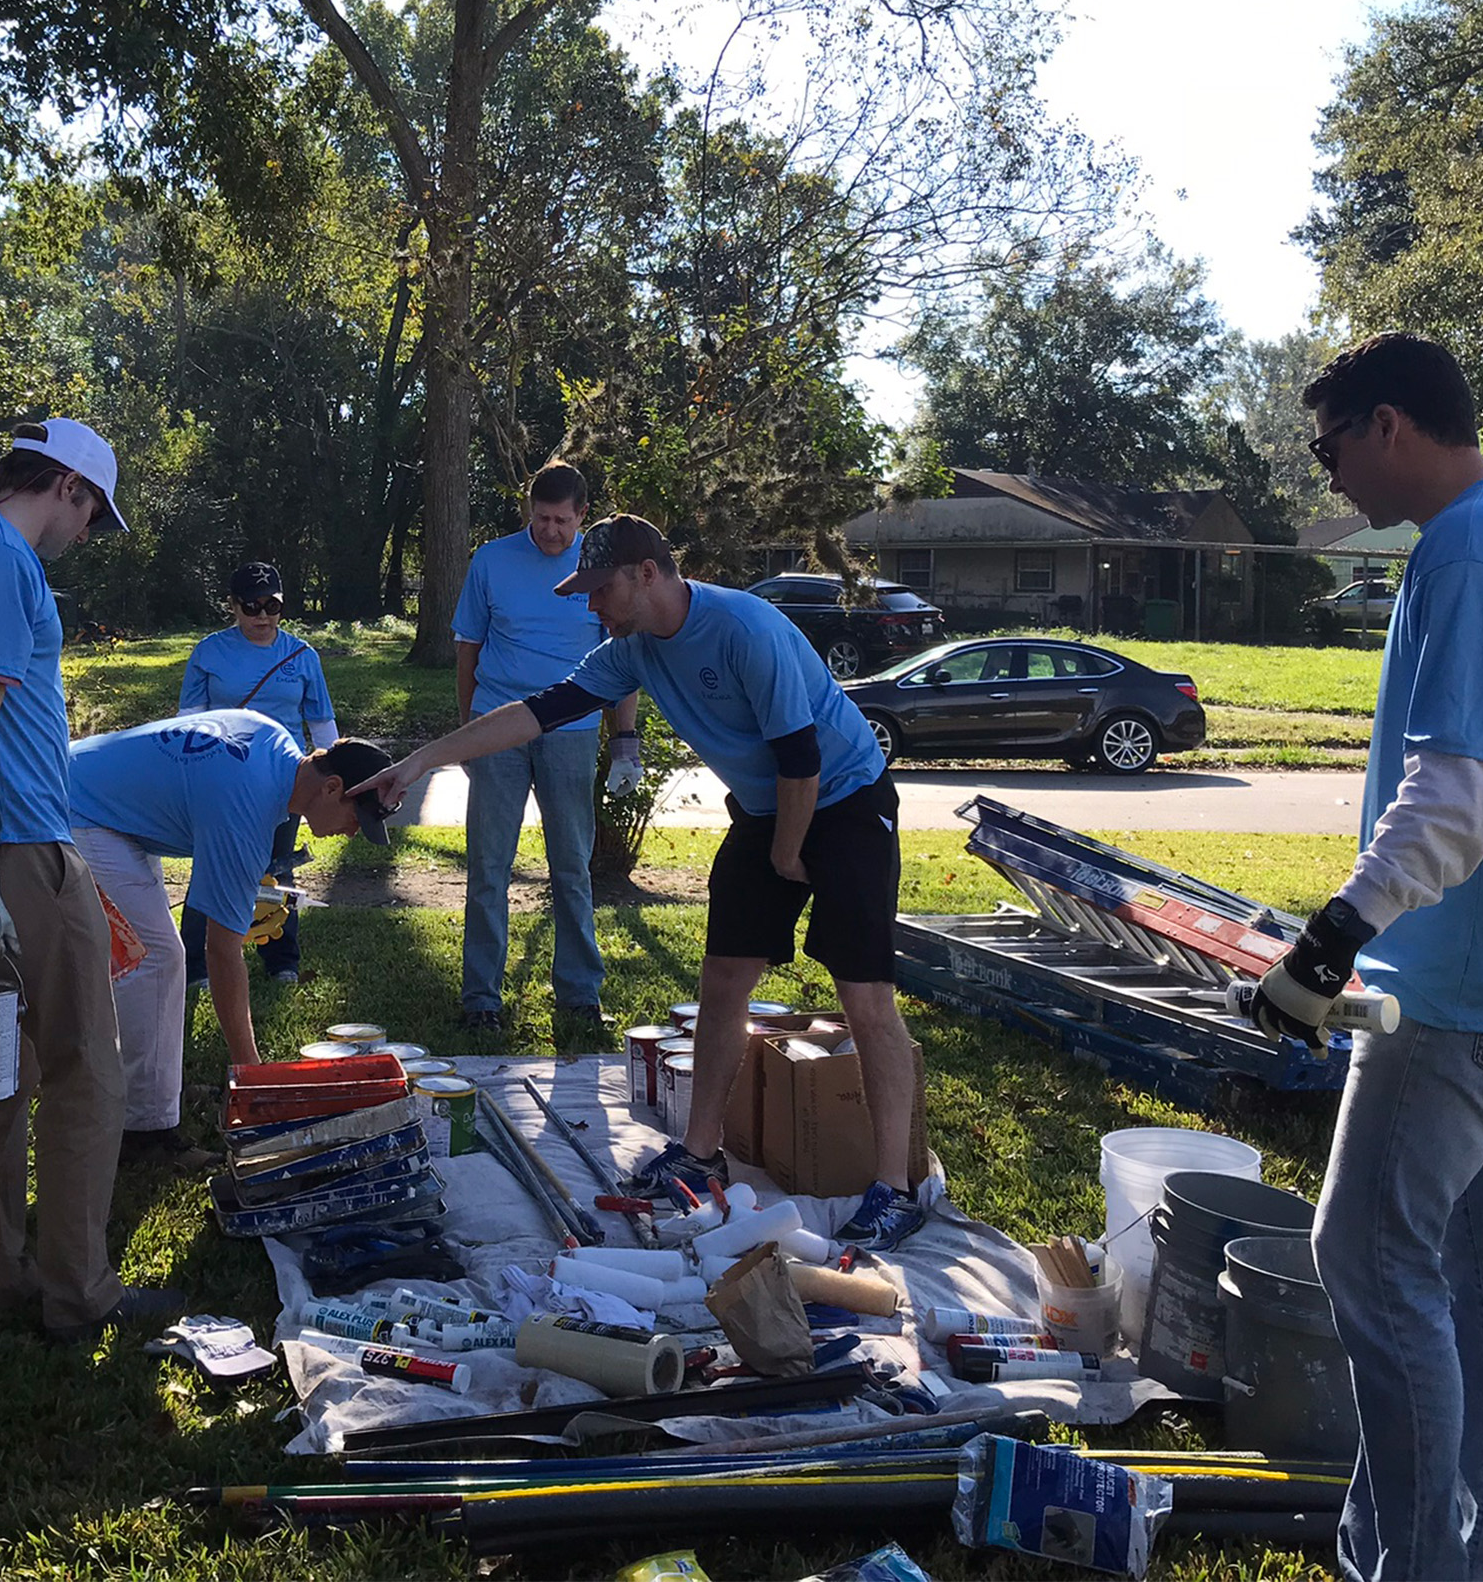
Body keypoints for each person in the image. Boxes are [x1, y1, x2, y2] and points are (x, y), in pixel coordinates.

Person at [1238, 332, 1483, 1581]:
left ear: (1391, 426)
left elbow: (1460, 794)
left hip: (1461, 999)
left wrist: (1329, 941)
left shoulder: (1471, 551)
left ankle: (1414, 1569)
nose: (1329, 471)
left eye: (1330, 444)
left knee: (1369, 1259)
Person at [357, 515, 928, 1251]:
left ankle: (894, 1189)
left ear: (648, 573)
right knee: (723, 984)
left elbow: (801, 757)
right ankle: (699, 1151)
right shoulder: (632, 651)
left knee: (865, 998)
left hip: (842, 799)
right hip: (767, 809)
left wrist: (789, 856)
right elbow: (538, 712)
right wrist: (418, 763)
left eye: (601, 590)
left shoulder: (744, 629)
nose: (591, 606)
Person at [0, 417, 179, 1343]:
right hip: (16, 851)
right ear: (65, 486)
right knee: (86, 1071)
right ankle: (78, 1291)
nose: (88, 533)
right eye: (92, 511)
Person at [70, 709, 395, 1154]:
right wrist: (253, 1077)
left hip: (82, 784)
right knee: (158, 958)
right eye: (357, 817)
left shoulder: (273, 739)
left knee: (152, 955)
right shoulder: (249, 811)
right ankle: (144, 1133)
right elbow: (221, 952)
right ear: (332, 787)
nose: (353, 832)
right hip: (75, 810)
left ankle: (153, 1093)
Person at [451, 462, 640, 1034]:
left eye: (561, 520)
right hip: (498, 727)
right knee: (488, 868)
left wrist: (625, 740)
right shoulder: (491, 560)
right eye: (541, 518)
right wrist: (467, 731)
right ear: (528, 511)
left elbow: (622, 660)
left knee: (572, 868)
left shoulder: (600, 567)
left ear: (582, 516)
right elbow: (468, 652)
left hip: (572, 733)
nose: (550, 531)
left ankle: (580, 992)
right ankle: (481, 998)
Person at [175, 560, 338, 985]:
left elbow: (321, 725)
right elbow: (188, 721)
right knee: (212, 866)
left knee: (277, 868)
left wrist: (335, 776)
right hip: (221, 778)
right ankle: (195, 965)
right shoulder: (209, 652)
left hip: (286, 780)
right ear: (233, 606)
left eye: (272, 605)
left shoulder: (302, 656)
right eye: (251, 607)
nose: (262, 616)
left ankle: (282, 961)